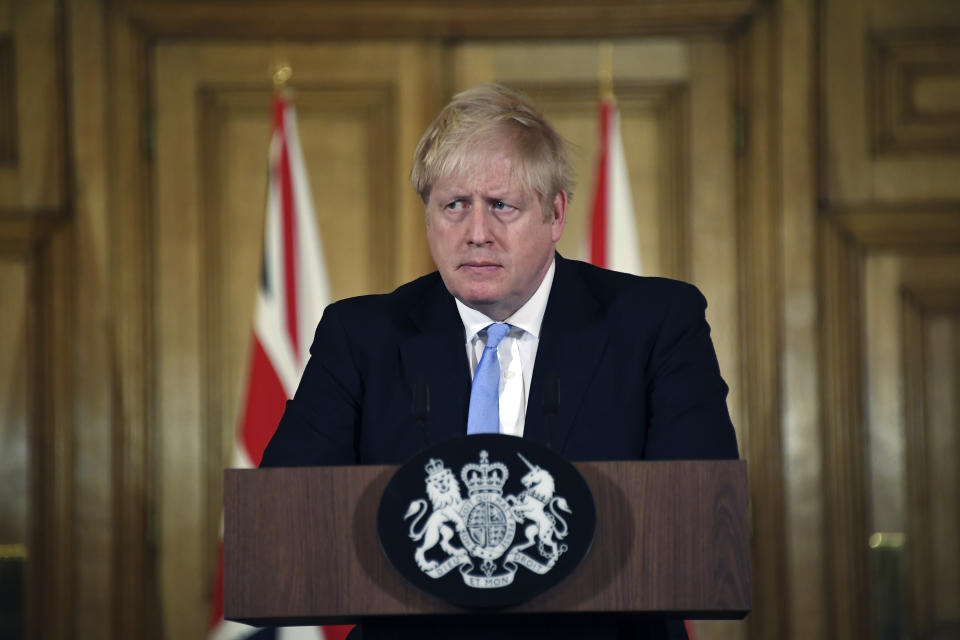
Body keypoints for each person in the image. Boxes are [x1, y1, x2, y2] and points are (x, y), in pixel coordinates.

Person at [261, 84, 739, 639]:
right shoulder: (362, 336)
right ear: (429, 217)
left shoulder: (654, 323)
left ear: (555, 213)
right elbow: (285, 517)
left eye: (501, 206)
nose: (477, 233)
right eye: (454, 206)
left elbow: (697, 517)